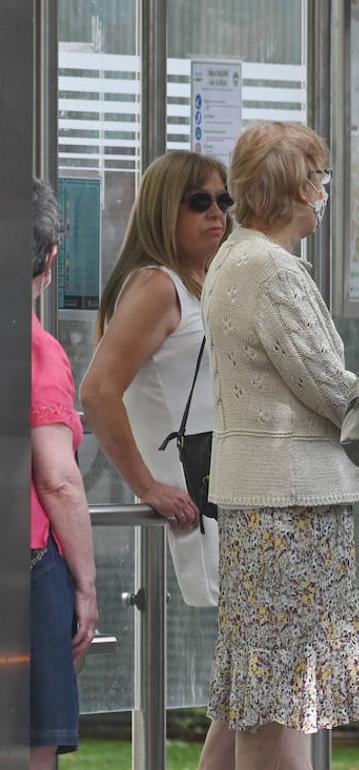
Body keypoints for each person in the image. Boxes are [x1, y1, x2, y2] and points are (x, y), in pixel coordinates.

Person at [198, 121, 359, 770]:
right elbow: (332, 388)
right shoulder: (274, 271)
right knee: (281, 700)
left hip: (259, 501)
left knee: (252, 691)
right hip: (291, 506)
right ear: (300, 190)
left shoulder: (234, 258)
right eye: (320, 180)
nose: (325, 192)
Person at [82, 150, 231, 607]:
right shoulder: (157, 286)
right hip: (200, 495)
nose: (216, 213)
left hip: (229, 483)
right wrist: (146, 485)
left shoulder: (203, 280)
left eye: (224, 200)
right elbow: (98, 390)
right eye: (198, 201)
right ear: (164, 209)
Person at [29, 177, 98, 767]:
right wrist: (86, 583)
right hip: (25, 576)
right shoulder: (35, 349)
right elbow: (57, 477)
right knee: (33, 743)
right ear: (49, 260)